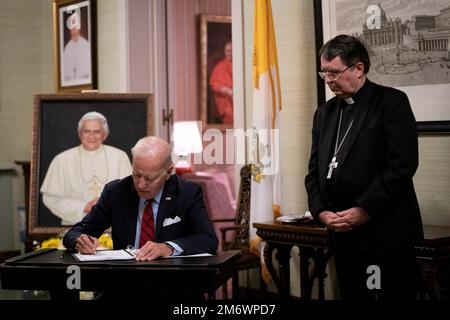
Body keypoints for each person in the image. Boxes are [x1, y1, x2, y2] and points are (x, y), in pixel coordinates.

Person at [305, 34, 423, 300]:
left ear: (359, 68)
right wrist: (321, 211)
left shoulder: (391, 103)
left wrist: (365, 209)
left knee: (380, 296)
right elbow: (314, 173)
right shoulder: (324, 114)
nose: (328, 80)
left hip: (382, 233)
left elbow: (401, 166)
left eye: (334, 72)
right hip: (342, 236)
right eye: (324, 72)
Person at [63, 136, 218, 261]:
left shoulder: (187, 193)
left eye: (150, 178)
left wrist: (168, 247)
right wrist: (79, 241)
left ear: (169, 171)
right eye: (136, 174)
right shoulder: (116, 192)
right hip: (126, 284)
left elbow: (208, 239)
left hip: (172, 283)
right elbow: (75, 232)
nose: (141, 184)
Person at [40, 111, 132, 225]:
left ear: (105, 134)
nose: (91, 136)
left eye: (97, 132)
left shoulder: (120, 157)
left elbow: (130, 194)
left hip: (113, 227)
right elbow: (51, 198)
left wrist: (107, 206)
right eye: (86, 131)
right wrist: (84, 206)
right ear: (79, 133)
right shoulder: (62, 159)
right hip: (74, 227)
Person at [62, 11, 91, 83]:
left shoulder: (86, 45)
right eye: (72, 29)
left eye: (75, 28)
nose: (74, 32)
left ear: (79, 28)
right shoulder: (67, 48)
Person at [209, 40, 233, 124]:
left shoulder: (238, 64)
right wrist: (227, 90)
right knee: (230, 114)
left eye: (232, 51)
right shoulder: (220, 66)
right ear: (225, 52)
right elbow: (214, 84)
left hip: (237, 97)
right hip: (226, 100)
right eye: (228, 51)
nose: (230, 53)